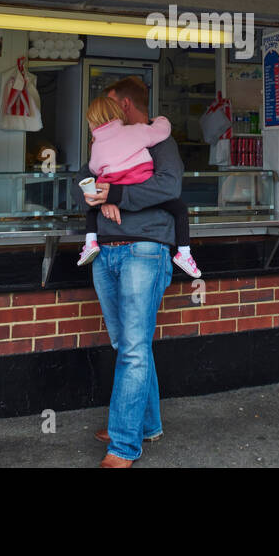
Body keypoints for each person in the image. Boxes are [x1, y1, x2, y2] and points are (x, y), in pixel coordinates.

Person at [79, 76, 181, 468]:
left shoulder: (159, 140)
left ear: (122, 105)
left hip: (145, 248)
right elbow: (82, 180)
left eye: (107, 105)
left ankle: (123, 446)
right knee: (127, 345)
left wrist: (116, 194)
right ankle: (143, 422)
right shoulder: (104, 142)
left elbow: (170, 186)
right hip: (106, 251)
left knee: (134, 348)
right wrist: (97, 195)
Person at [78, 95, 201, 278]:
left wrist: (108, 195)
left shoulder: (97, 144)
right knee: (180, 209)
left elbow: (92, 170)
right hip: (138, 185)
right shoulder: (137, 132)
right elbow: (162, 131)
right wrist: (161, 119)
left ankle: (90, 242)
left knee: (92, 205)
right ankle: (183, 252)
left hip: (141, 247)